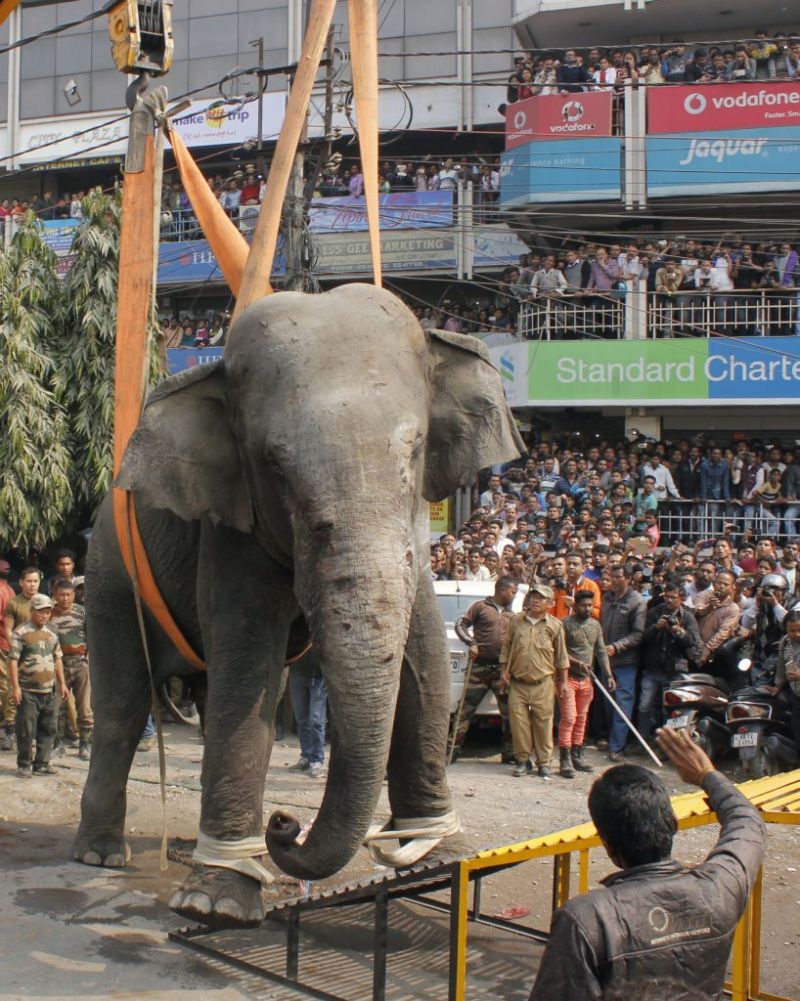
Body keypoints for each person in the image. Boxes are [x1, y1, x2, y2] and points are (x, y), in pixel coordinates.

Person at [529, 727, 766, 1001]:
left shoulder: (587, 919)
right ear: (673, 824)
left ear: (607, 846)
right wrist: (706, 775)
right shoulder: (720, 888)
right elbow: (748, 822)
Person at [500, 584, 569, 780]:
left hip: (543, 683)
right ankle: (522, 760)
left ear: (550, 603)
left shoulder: (555, 626)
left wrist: (563, 683)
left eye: (541, 598)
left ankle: (544, 763)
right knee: (519, 724)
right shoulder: (516, 621)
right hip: (518, 682)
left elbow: (562, 657)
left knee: (544, 724)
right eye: (533, 597)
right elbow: (506, 648)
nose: (536, 600)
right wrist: (503, 671)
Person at [453, 576, 519, 762]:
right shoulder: (480, 606)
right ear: (501, 590)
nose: (514, 596)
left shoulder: (512, 614)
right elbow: (461, 625)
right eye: (512, 592)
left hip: (502, 670)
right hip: (478, 668)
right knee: (463, 712)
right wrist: (471, 643)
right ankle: (451, 751)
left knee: (509, 714)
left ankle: (510, 753)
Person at [8, 593, 68, 777]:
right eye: (41, 611)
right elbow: (12, 661)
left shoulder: (51, 633)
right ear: (32, 611)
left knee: (49, 727)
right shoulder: (21, 633)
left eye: (48, 611)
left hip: (49, 690)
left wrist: (62, 684)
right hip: (28, 691)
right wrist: (16, 687)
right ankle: (24, 765)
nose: (45, 615)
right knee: (26, 729)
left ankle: (42, 763)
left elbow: (57, 659)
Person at [637, 577, 702, 741]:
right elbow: (642, 638)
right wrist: (655, 628)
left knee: (670, 709)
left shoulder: (687, 616)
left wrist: (679, 631)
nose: (669, 600)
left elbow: (693, 642)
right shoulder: (654, 612)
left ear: (681, 598)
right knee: (645, 706)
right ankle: (643, 740)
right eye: (667, 596)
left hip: (674, 670)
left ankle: (666, 745)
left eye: (673, 597)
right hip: (653, 668)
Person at [559, 590, 614, 777]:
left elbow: (601, 652)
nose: (588, 608)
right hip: (569, 678)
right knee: (569, 718)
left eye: (591, 605)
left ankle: (577, 755)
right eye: (584, 605)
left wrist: (608, 675)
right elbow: (559, 653)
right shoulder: (565, 624)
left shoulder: (595, 625)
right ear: (575, 606)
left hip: (587, 680)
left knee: (582, 718)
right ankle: (564, 759)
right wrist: (578, 663)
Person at [600, 564, 646, 761]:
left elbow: (638, 634)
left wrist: (617, 647)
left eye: (620, 577)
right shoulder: (607, 597)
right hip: (605, 659)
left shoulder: (637, 601)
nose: (615, 580)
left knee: (622, 704)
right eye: (613, 576)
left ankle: (617, 747)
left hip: (626, 660)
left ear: (628, 579)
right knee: (607, 702)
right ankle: (613, 739)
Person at [50, 578, 92, 760]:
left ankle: (85, 744)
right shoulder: (49, 614)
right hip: (59, 667)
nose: (65, 598)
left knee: (84, 708)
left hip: (81, 665)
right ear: (55, 595)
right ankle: (58, 744)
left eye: (68, 595)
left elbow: (93, 636)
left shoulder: (82, 612)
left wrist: (88, 658)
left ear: (74, 595)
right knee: (56, 707)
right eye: (61, 595)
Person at [2, 566, 42, 750]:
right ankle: (10, 731)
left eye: (35, 581)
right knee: (13, 691)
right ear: (21, 582)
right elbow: (9, 628)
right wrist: (16, 649)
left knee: (37, 694)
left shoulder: (44, 602)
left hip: (40, 655)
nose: (32, 585)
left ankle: (33, 733)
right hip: (18, 654)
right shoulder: (14, 602)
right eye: (29, 581)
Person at [287, 645, 327, 778]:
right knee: (301, 718)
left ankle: (316, 760)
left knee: (316, 719)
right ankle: (306, 756)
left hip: (319, 677)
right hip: (297, 675)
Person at [774, 609, 800, 750]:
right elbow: (781, 666)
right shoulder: (785, 643)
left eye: (799, 630)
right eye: (792, 630)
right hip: (797, 696)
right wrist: (777, 685)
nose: (796, 634)